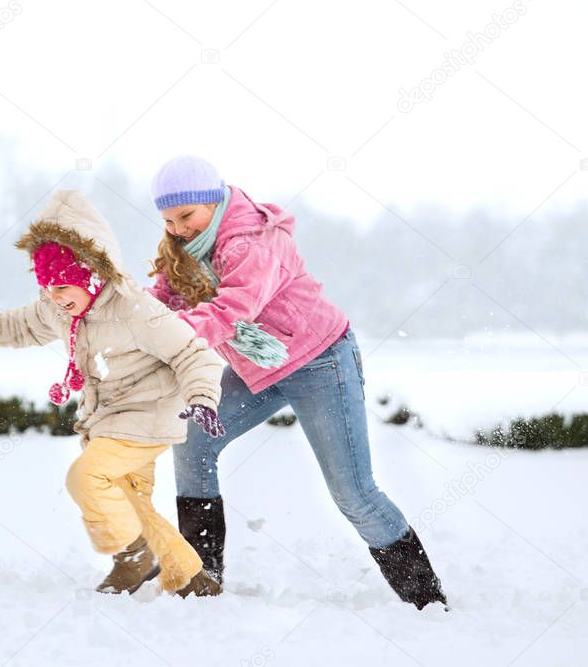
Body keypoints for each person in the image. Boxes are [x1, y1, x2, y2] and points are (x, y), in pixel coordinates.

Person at [145, 156, 447, 610]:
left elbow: (231, 310)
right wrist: (124, 323)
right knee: (193, 439)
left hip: (319, 362)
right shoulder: (188, 247)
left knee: (353, 492)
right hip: (260, 368)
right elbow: (161, 301)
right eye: (168, 220)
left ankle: (427, 602)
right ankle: (200, 578)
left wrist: (166, 336)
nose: (178, 229)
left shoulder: (251, 242)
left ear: (215, 201)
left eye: (186, 216)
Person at [0, 189, 226, 597]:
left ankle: (132, 556)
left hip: (147, 417)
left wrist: (202, 398)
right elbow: (19, 325)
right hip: (106, 420)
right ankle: (191, 579)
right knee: (130, 502)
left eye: (63, 285)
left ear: (91, 275)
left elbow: (193, 352)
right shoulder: (59, 307)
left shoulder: (136, 310)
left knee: (87, 477)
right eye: (47, 287)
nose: (55, 296)